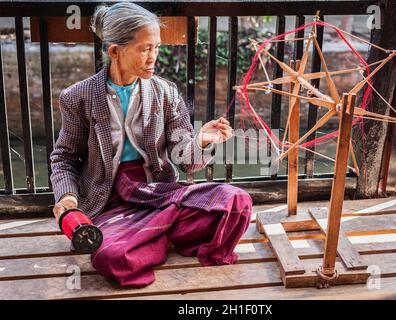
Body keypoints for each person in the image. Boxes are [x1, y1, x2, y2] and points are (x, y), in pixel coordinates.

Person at [50, 2, 253, 288]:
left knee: (235, 201)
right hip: (110, 202)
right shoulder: (78, 97)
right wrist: (67, 198)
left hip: (157, 193)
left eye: (156, 47)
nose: (153, 57)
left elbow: (186, 162)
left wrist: (202, 141)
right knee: (112, 255)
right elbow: (64, 158)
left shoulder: (165, 92)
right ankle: (158, 234)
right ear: (115, 51)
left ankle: (151, 235)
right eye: (145, 49)